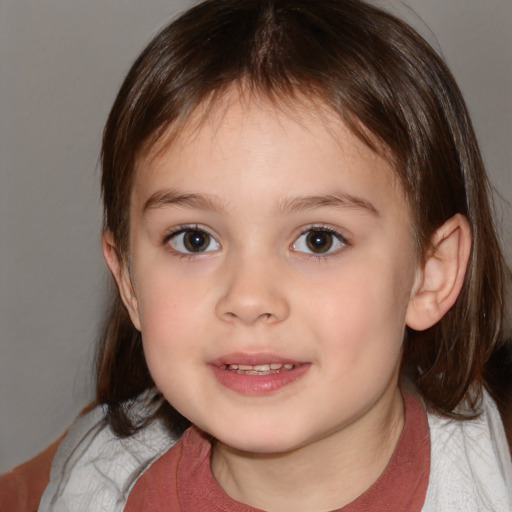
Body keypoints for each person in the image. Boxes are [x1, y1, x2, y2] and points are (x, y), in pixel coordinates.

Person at [8, 0, 512, 510]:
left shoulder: (487, 485)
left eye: (319, 239)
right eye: (194, 239)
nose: (249, 299)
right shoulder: (94, 486)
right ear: (130, 281)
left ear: (430, 273)